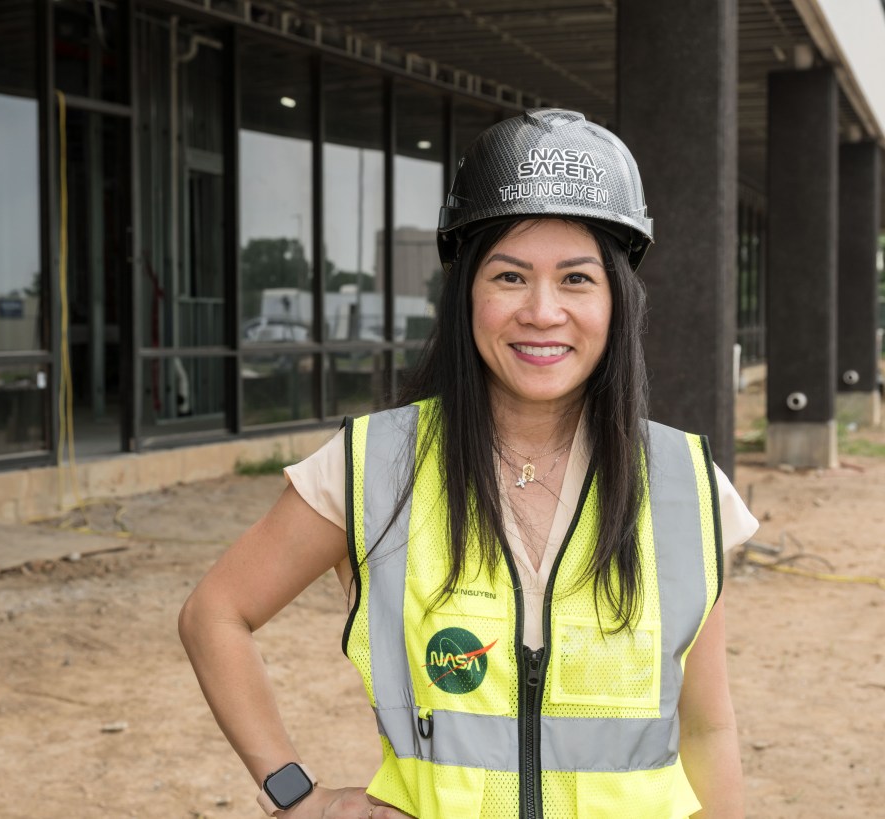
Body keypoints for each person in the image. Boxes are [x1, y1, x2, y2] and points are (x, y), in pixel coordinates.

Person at [180, 108, 757, 818]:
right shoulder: (375, 465)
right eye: (510, 276)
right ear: (468, 295)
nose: (542, 311)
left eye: (576, 280)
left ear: (616, 300)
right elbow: (216, 612)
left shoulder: (684, 485)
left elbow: (707, 725)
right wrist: (294, 791)